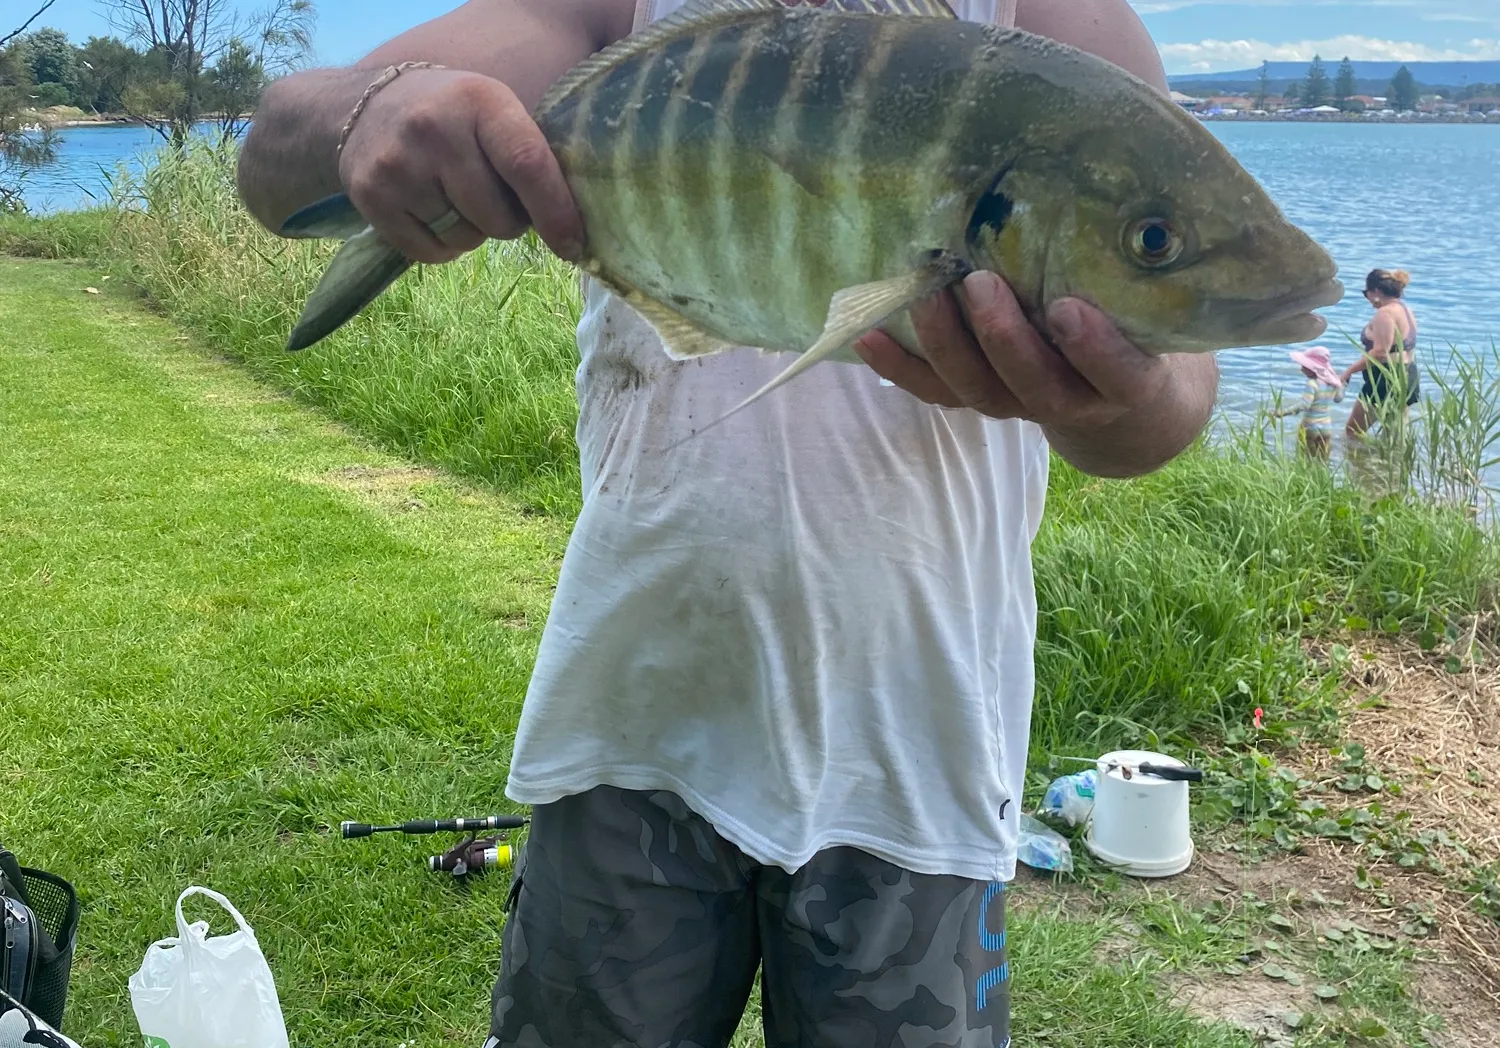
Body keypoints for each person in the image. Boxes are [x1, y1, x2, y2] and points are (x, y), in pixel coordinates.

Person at [236, 2, 1218, 1045]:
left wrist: (1109, 387)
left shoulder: (1051, 20)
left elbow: (1172, 403)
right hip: (631, 727)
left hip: (914, 766)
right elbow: (277, 145)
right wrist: (374, 115)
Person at [1342, 268, 1421, 439]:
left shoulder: (1385, 314)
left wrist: (1349, 371)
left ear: (1376, 291)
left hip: (1385, 379)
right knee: (1393, 436)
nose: (1368, 299)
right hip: (1408, 375)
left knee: (1353, 432)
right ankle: (1387, 465)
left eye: (1366, 293)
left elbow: (1379, 352)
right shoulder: (1407, 311)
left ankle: (1360, 464)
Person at [1273, 345, 1344, 461]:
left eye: (1304, 366)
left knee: (1305, 459)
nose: (1301, 369)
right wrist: (1342, 385)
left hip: (1311, 426)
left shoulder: (1312, 384)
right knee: (1323, 460)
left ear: (1312, 368)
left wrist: (1282, 413)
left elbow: (1304, 405)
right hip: (1327, 426)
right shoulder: (1332, 383)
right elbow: (1338, 399)